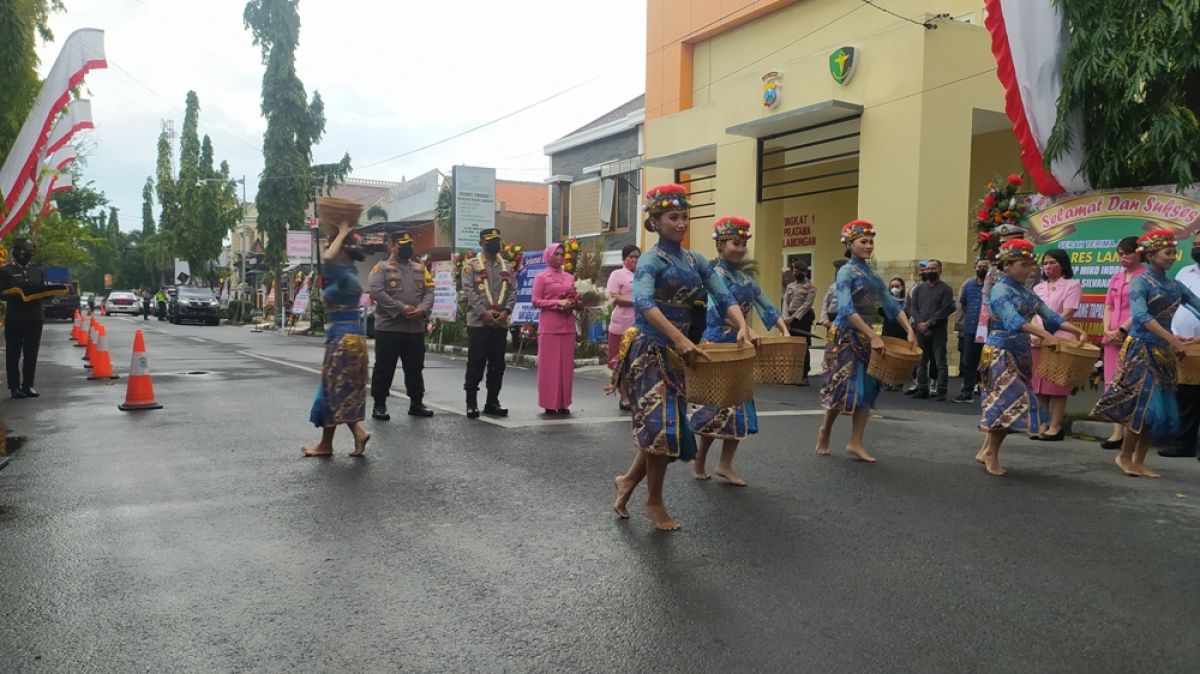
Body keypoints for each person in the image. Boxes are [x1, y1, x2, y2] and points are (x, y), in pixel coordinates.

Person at [610, 184, 747, 531]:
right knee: (661, 427)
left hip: (682, 353)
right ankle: (653, 499)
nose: (682, 223)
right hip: (650, 350)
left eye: (685, 216)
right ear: (655, 222)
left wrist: (743, 325)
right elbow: (643, 303)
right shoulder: (651, 260)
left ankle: (627, 481)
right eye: (673, 217)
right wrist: (679, 338)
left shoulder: (695, 260)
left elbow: (723, 294)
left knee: (665, 428)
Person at [689, 216, 789, 486]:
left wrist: (783, 329)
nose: (741, 248)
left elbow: (765, 303)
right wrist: (746, 327)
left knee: (740, 406)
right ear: (720, 244)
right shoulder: (713, 276)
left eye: (744, 243)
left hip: (740, 344)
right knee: (715, 407)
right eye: (736, 243)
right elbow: (718, 309)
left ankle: (725, 464)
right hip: (717, 344)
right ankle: (699, 458)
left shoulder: (745, 279)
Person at [1092, 230, 1200, 478]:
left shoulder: (1174, 285)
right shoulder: (1141, 281)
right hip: (1140, 349)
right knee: (1144, 407)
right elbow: (1140, 316)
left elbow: (1197, 305)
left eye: (1174, 252)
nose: (1173, 257)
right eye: (1168, 252)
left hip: (1163, 352)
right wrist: (1172, 338)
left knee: (1160, 412)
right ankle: (1124, 455)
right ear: (1151, 255)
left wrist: (1186, 339)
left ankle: (1138, 460)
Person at [975, 239, 1085, 476]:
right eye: (1023, 265)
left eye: (1030, 265)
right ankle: (991, 453)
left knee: (1012, 404)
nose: (1030, 270)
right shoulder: (1000, 290)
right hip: (1000, 353)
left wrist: (1076, 331)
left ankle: (985, 450)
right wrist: (1046, 336)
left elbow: (1050, 315)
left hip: (1021, 353)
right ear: (1008, 265)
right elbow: (1013, 321)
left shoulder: (1025, 292)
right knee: (1007, 404)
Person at [815, 220, 916, 462]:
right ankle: (825, 430)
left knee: (868, 390)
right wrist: (872, 335)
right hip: (845, 336)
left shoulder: (873, 276)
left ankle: (855, 442)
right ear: (850, 244)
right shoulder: (845, 272)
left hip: (868, 337)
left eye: (871, 242)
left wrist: (909, 329)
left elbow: (891, 305)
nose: (868, 246)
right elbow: (846, 308)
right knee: (840, 389)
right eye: (863, 241)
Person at [303, 219, 371, 458]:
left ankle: (356, 433)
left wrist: (342, 232)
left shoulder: (342, 272)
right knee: (333, 390)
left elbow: (329, 258)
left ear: (342, 249)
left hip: (343, 341)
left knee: (333, 390)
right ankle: (328, 443)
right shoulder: (350, 273)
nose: (329, 247)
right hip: (353, 339)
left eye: (334, 243)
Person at [368, 231, 435, 421]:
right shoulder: (381, 268)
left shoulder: (420, 268)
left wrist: (421, 310)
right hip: (389, 327)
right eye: (402, 245)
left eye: (409, 244)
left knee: (415, 368)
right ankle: (379, 405)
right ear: (392, 247)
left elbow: (430, 291)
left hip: (414, 328)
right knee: (384, 367)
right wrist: (400, 308)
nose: (407, 248)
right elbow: (377, 291)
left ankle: (416, 403)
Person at [461, 227, 517, 418]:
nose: (495, 244)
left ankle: (492, 401)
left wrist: (506, 312)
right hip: (479, 323)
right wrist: (484, 313)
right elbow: (469, 291)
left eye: (497, 241)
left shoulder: (507, 266)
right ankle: (471, 403)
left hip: (500, 323)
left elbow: (512, 292)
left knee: (497, 365)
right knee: (476, 363)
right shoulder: (471, 265)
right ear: (481, 244)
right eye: (490, 242)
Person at [1029, 249, 1082, 441]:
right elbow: (1034, 313)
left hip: (1060, 338)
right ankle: (1042, 424)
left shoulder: (1071, 285)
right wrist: (1037, 331)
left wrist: (1048, 331)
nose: (1048, 266)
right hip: (1037, 339)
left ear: (1063, 264)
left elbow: (1068, 312)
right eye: (1045, 263)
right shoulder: (1038, 288)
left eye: (1053, 262)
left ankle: (1056, 426)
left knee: (1056, 386)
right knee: (1040, 385)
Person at [1099, 236, 1143, 449]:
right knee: (1111, 382)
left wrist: (1123, 329)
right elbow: (1108, 306)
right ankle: (1116, 432)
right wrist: (1108, 329)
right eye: (1121, 253)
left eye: (1128, 253)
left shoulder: (1144, 277)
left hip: (1133, 335)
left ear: (1139, 253)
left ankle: (1129, 432)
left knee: (1130, 382)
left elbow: (1141, 310)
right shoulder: (1116, 278)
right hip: (1112, 338)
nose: (1124, 257)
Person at [0, 238, 58, 398]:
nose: (26, 254)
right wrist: (12, 295)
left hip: (34, 316)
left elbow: (42, 290)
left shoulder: (37, 271)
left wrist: (50, 293)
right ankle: (14, 388)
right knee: (13, 353)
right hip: (16, 316)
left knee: (31, 353)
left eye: (30, 251)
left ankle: (28, 385)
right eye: (23, 251)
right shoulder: (6, 271)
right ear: (16, 252)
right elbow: (1, 292)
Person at [1164, 230, 1200, 459]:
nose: (1197, 247)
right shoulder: (1185, 272)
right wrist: (1173, 335)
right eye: (1195, 243)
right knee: (1186, 397)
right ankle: (1184, 445)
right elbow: (1173, 304)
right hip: (1184, 347)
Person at [532, 242, 579, 415]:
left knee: (566, 367)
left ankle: (564, 403)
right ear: (548, 256)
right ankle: (549, 403)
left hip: (568, 325)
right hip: (550, 326)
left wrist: (577, 302)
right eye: (556, 254)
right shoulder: (541, 277)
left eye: (562, 254)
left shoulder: (569, 277)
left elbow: (575, 295)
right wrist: (556, 303)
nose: (560, 257)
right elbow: (536, 301)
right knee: (549, 367)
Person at [905, 258, 955, 400]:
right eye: (927, 269)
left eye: (933, 268)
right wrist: (920, 324)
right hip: (920, 330)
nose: (929, 271)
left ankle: (941, 391)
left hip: (938, 330)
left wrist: (929, 323)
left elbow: (945, 309)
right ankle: (922, 389)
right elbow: (912, 308)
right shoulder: (919, 289)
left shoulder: (946, 289)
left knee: (940, 361)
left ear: (940, 271)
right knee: (921, 361)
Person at [606, 244, 639, 411]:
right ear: (624, 258)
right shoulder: (617, 274)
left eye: (637, 257)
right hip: (622, 323)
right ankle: (623, 396)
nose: (634, 260)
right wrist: (635, 302)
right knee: (621, 362)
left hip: (639, 324)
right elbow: (613, 297)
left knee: (635, 362)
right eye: (631, 257)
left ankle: (634, 395)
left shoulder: (642, 274)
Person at [953, 259, 989, 403]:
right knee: (968, 362)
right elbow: (963, 305)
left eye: (985, 267)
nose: (981, 269)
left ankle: (986, 392)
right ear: (975, 268)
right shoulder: (968, 285)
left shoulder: (994, 286)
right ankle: (966, 392)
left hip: (988, 331)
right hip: (970, 329)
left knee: (987, 362)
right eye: (979, 266)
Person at [782, 260, 817, 386]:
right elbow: (785, 302)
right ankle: (791, 375)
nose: (795, 273)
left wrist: (794, 318)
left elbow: (807, 305)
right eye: (794, 270)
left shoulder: (811, 286)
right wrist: (785, 318)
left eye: (798, 271)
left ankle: (804, 375)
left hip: (803, 318)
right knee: (790, 346)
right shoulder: (790, 286)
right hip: (789, 317)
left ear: (804, 272)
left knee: (803, 346)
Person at [819, 258, 849, 327]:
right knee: (830, 337)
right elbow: (825, 303)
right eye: (836, 270)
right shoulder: (833, 286)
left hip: (844, 320)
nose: (837, 273)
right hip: (830, 319)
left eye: (839, 270)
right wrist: (824, 319)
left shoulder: (851, 286)